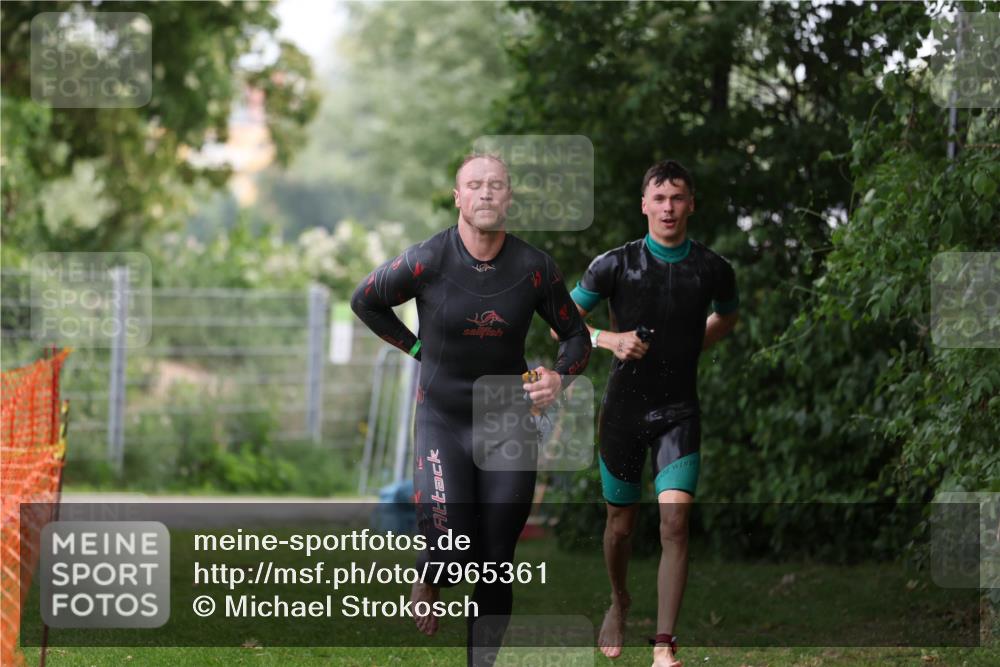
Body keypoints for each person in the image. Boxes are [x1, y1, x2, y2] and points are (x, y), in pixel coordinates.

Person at [351, 153, 590, 666]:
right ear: (458, 197)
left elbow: (576, 336)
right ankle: (430, 572)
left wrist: (558, 377)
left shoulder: (534, 268)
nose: (485, 193)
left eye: (496, 185)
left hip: (508, 420)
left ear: (509, 198)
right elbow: (364, 300)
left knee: (496, 558)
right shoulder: (427, 260)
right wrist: (417, 349)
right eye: (475, 185)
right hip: (444, 418)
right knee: (453, 547)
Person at [569, 160, 739, 667]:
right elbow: (562, 322)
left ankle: (664, 645)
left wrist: (689, 347)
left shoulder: (713, 268)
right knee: (620, 527)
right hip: (623, 412)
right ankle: (619, 599)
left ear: (691, 204)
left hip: (678, 413)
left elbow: (727, 315)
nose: (668, 208)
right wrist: (609, 339)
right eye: (659, 199)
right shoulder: (614, 265)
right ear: (644, 204)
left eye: (677, 198)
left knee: (675, 524)